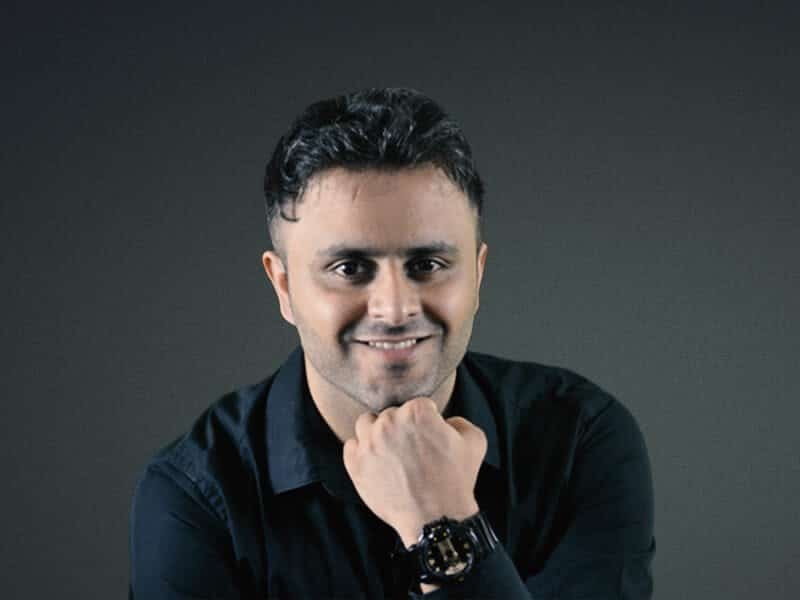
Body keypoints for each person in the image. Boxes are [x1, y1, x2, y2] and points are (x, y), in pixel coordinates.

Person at [128, 87, 655, 599]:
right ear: (283, 287)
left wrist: (437, 517)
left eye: (427, 264)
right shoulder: (196, 499)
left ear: (477, 275)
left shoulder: (580, 443)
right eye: (349, 268)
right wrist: (446, 530)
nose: (395, 309)